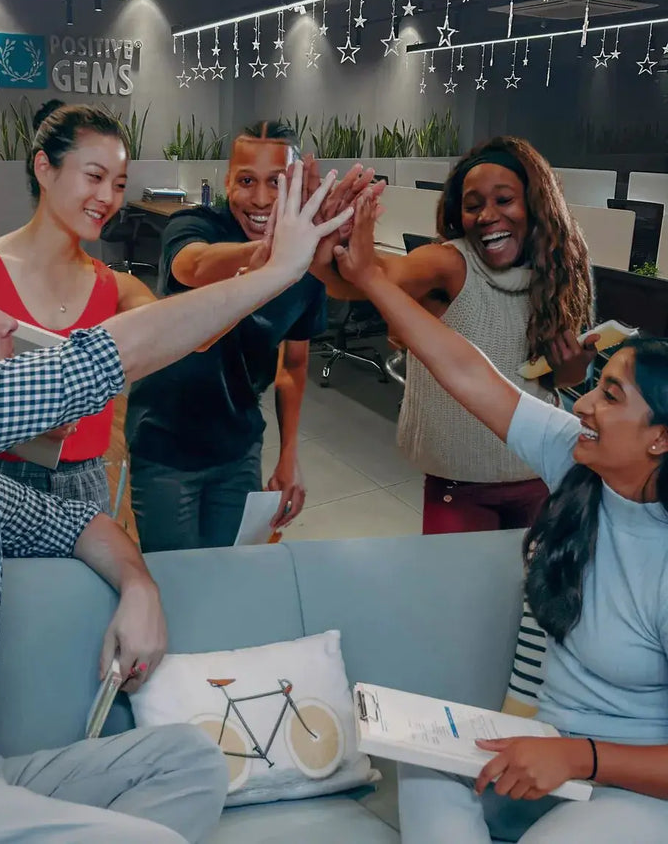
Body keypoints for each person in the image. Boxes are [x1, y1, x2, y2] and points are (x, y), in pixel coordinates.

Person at [0, 164, 352, 842]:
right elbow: (95, 363)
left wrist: (139, 584)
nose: (9, 324)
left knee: (191, 760)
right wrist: (279, 271)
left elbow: (77, 521)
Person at [334, 194, 668, 844]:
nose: (584, 404)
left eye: (611, 395)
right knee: (423, 767)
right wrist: (371, 277)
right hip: (546, 755)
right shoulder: (575, 459)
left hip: (630, 786)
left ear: (660, 438)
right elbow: (467, 371)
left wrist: (579, 757)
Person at [312, 137, 596, 534]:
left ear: (536, 205)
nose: (487, 216)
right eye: (473, 205)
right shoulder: (449, 263)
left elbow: (558, 380)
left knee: (529, 577)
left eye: (504, 200)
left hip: (541, 471)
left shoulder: (556, 274)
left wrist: (574, 367)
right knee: (454, 576)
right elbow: (367, 278)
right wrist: (333, 243)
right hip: (459, 484)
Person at [125, 120, 328, 552]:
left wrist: (289, 455)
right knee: (175, 577)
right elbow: (192, 265)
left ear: (295, 184)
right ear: (227, 182)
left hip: (238, 447)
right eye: (246, 181)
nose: (261, 199)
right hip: (165, 445)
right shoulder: (194, 224)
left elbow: (293, 365)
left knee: (229, 572)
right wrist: (272, 257)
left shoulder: (308, 265)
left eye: (277, 182)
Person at [0, 101, 155, 514]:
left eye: (119, 184)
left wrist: (261, 272)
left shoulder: (117, 288)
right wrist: (24, 421)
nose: (107, 198)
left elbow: (182, 333)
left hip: (86, 486)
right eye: (95, 176)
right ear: (44, 168)